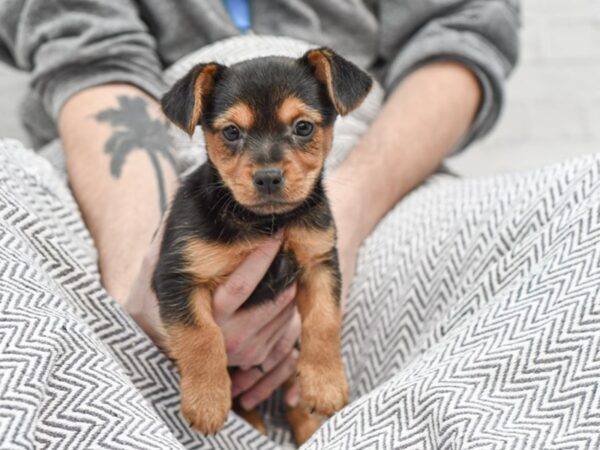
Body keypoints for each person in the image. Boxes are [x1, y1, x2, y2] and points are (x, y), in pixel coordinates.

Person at [2, 1, 599, 449]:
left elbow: (460, 31)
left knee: (588, 200)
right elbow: (86, 55)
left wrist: (351, 206)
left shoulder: (337, 99)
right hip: (119, 180)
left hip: (375, 179)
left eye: (302, 128)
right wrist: (142, 284)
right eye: (233, 132)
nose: (266, 167)